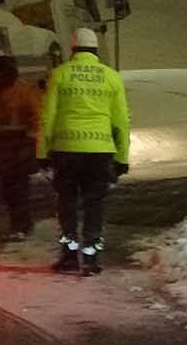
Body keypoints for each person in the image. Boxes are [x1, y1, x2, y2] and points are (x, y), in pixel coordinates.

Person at [38, 27, 130, 275]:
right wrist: (122, 157)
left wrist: (42, 152)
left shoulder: (59, 75)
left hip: (66, 150)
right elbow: (121, 120)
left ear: (73, 48)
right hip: (99, 152)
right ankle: (91, 258)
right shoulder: (111, 77)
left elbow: (48, 117)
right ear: (95, 49)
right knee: (94, 204)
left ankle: (69, 255)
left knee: (66, 202)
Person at [0, 54, 42, 240]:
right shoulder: (3, 92)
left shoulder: (22, 91)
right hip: (7, 147)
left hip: (18, 147)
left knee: (18, 189)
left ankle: (22, 226)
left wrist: (30, 145)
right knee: (10, 189)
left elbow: (36, 119)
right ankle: (19, 224)